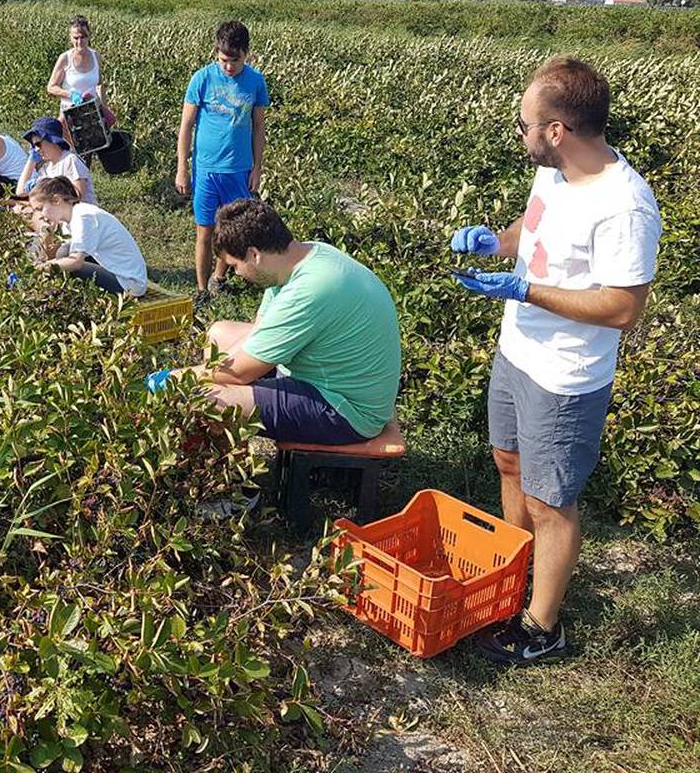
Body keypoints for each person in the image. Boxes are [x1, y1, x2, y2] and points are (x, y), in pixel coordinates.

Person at [450, 57, 661, 665]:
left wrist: (525, 291)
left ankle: (542, 626)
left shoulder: (624, 206)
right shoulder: (555, 174)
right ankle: (513, 575)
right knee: (509, 464)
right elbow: (532, 227)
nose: (521, 135)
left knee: (552, 500)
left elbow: (623, 308)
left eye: (525, 125)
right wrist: (498, 240)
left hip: (565, 375)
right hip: (518, 351)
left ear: (557, 131)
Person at [155, 199, 400, 447]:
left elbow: (240, 372)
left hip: (346, 410)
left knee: (200, 396)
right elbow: (260, 332)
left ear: (253, 254)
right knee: (220, 333)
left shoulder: (310, 288)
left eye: (234, 266)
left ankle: (209, 468)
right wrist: (208, 374)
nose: (236, 274)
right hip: (327, 376)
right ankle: (225, 450)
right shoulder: (300, 258)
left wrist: (173, 379)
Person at [176, 20, 268, 298]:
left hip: (239, 170)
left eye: (235, 60)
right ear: (216, 52)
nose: (229, 66)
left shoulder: (255, 82)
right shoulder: (201, 79)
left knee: (231, 232)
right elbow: (186, 125)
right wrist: (182, 166)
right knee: (204, 232)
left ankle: (219, 278)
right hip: (205, 170)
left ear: (246, 53)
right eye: (223, 60)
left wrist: (257, 169)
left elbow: (259, 128)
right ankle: (202, 289)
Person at [28, 176, 147, 296]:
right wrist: (47, 232)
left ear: (57, 200)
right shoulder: (69, 219)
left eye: (40, 208)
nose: (40, 215)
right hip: (114, 270)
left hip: (129, 283)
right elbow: (56, 254)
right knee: (63, 253)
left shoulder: (84, 217)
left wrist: (38, 269)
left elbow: (75, 263)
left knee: (71, 268)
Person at [46, 15, 112, 135]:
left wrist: (104, 110)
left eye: (83, 37)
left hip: (92, 114)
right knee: (70, 148)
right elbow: (51, 87)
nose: (80, 42)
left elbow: (99, 85)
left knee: (93, 148)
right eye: (76, 38)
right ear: (70, 38)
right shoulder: (65, 58)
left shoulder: (95, 56)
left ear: (89, 36)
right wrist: (71, 94)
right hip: (70, 114)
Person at [15, 118, 96, 204]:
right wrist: (31, 161)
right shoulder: (45, 169)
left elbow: (77, 196)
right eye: (33, 146)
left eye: (38, 144)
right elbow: (20, 192)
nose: (36, 149)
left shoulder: (70, 160)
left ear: (52, 140)